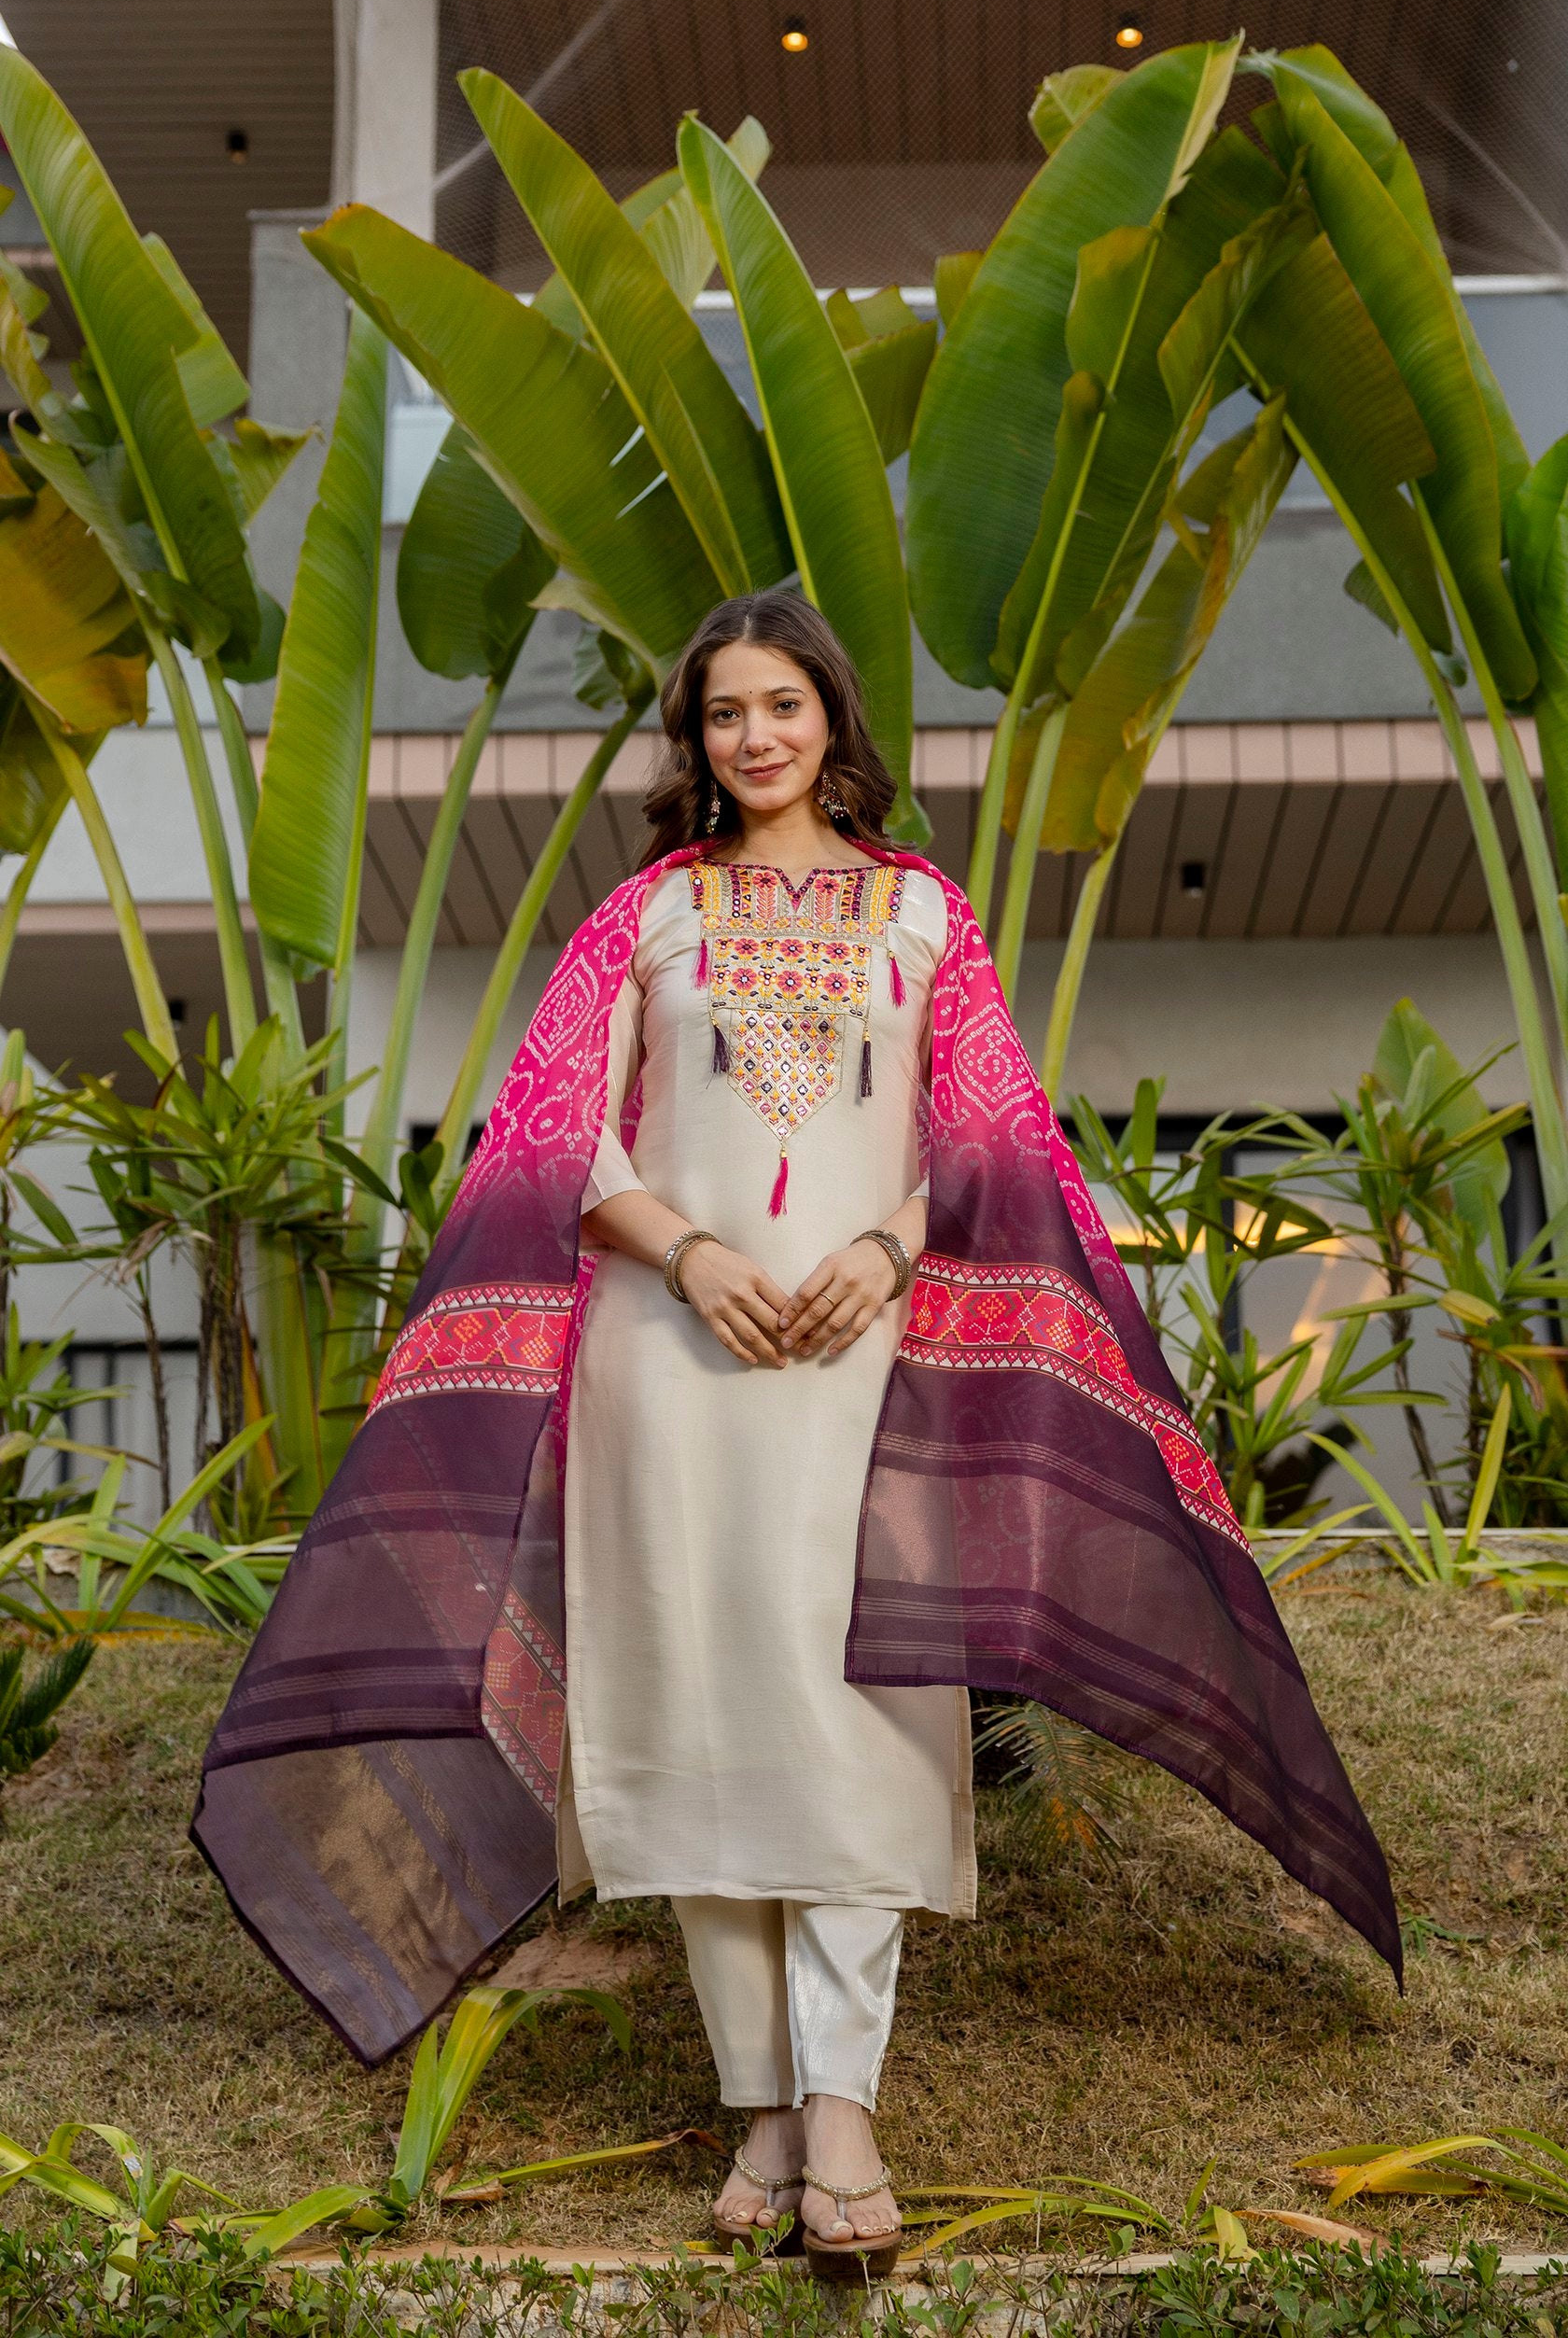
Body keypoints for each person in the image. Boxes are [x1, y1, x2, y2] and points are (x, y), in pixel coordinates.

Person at [193, 593, 1400, 2284]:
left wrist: (888, 1255)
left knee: (856, 1722)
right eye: (722, 713)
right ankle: (763, 2105)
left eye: (781, 704)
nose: (753, 737)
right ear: (693, 741)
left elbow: (992, 1149)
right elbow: (551, 1139)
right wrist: (690, 1255)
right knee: (698, 1718)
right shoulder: (648, 914)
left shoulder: (921, 916)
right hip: (667, 1363)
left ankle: (842, 2109)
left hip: (863, 1365)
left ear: (832, 716)